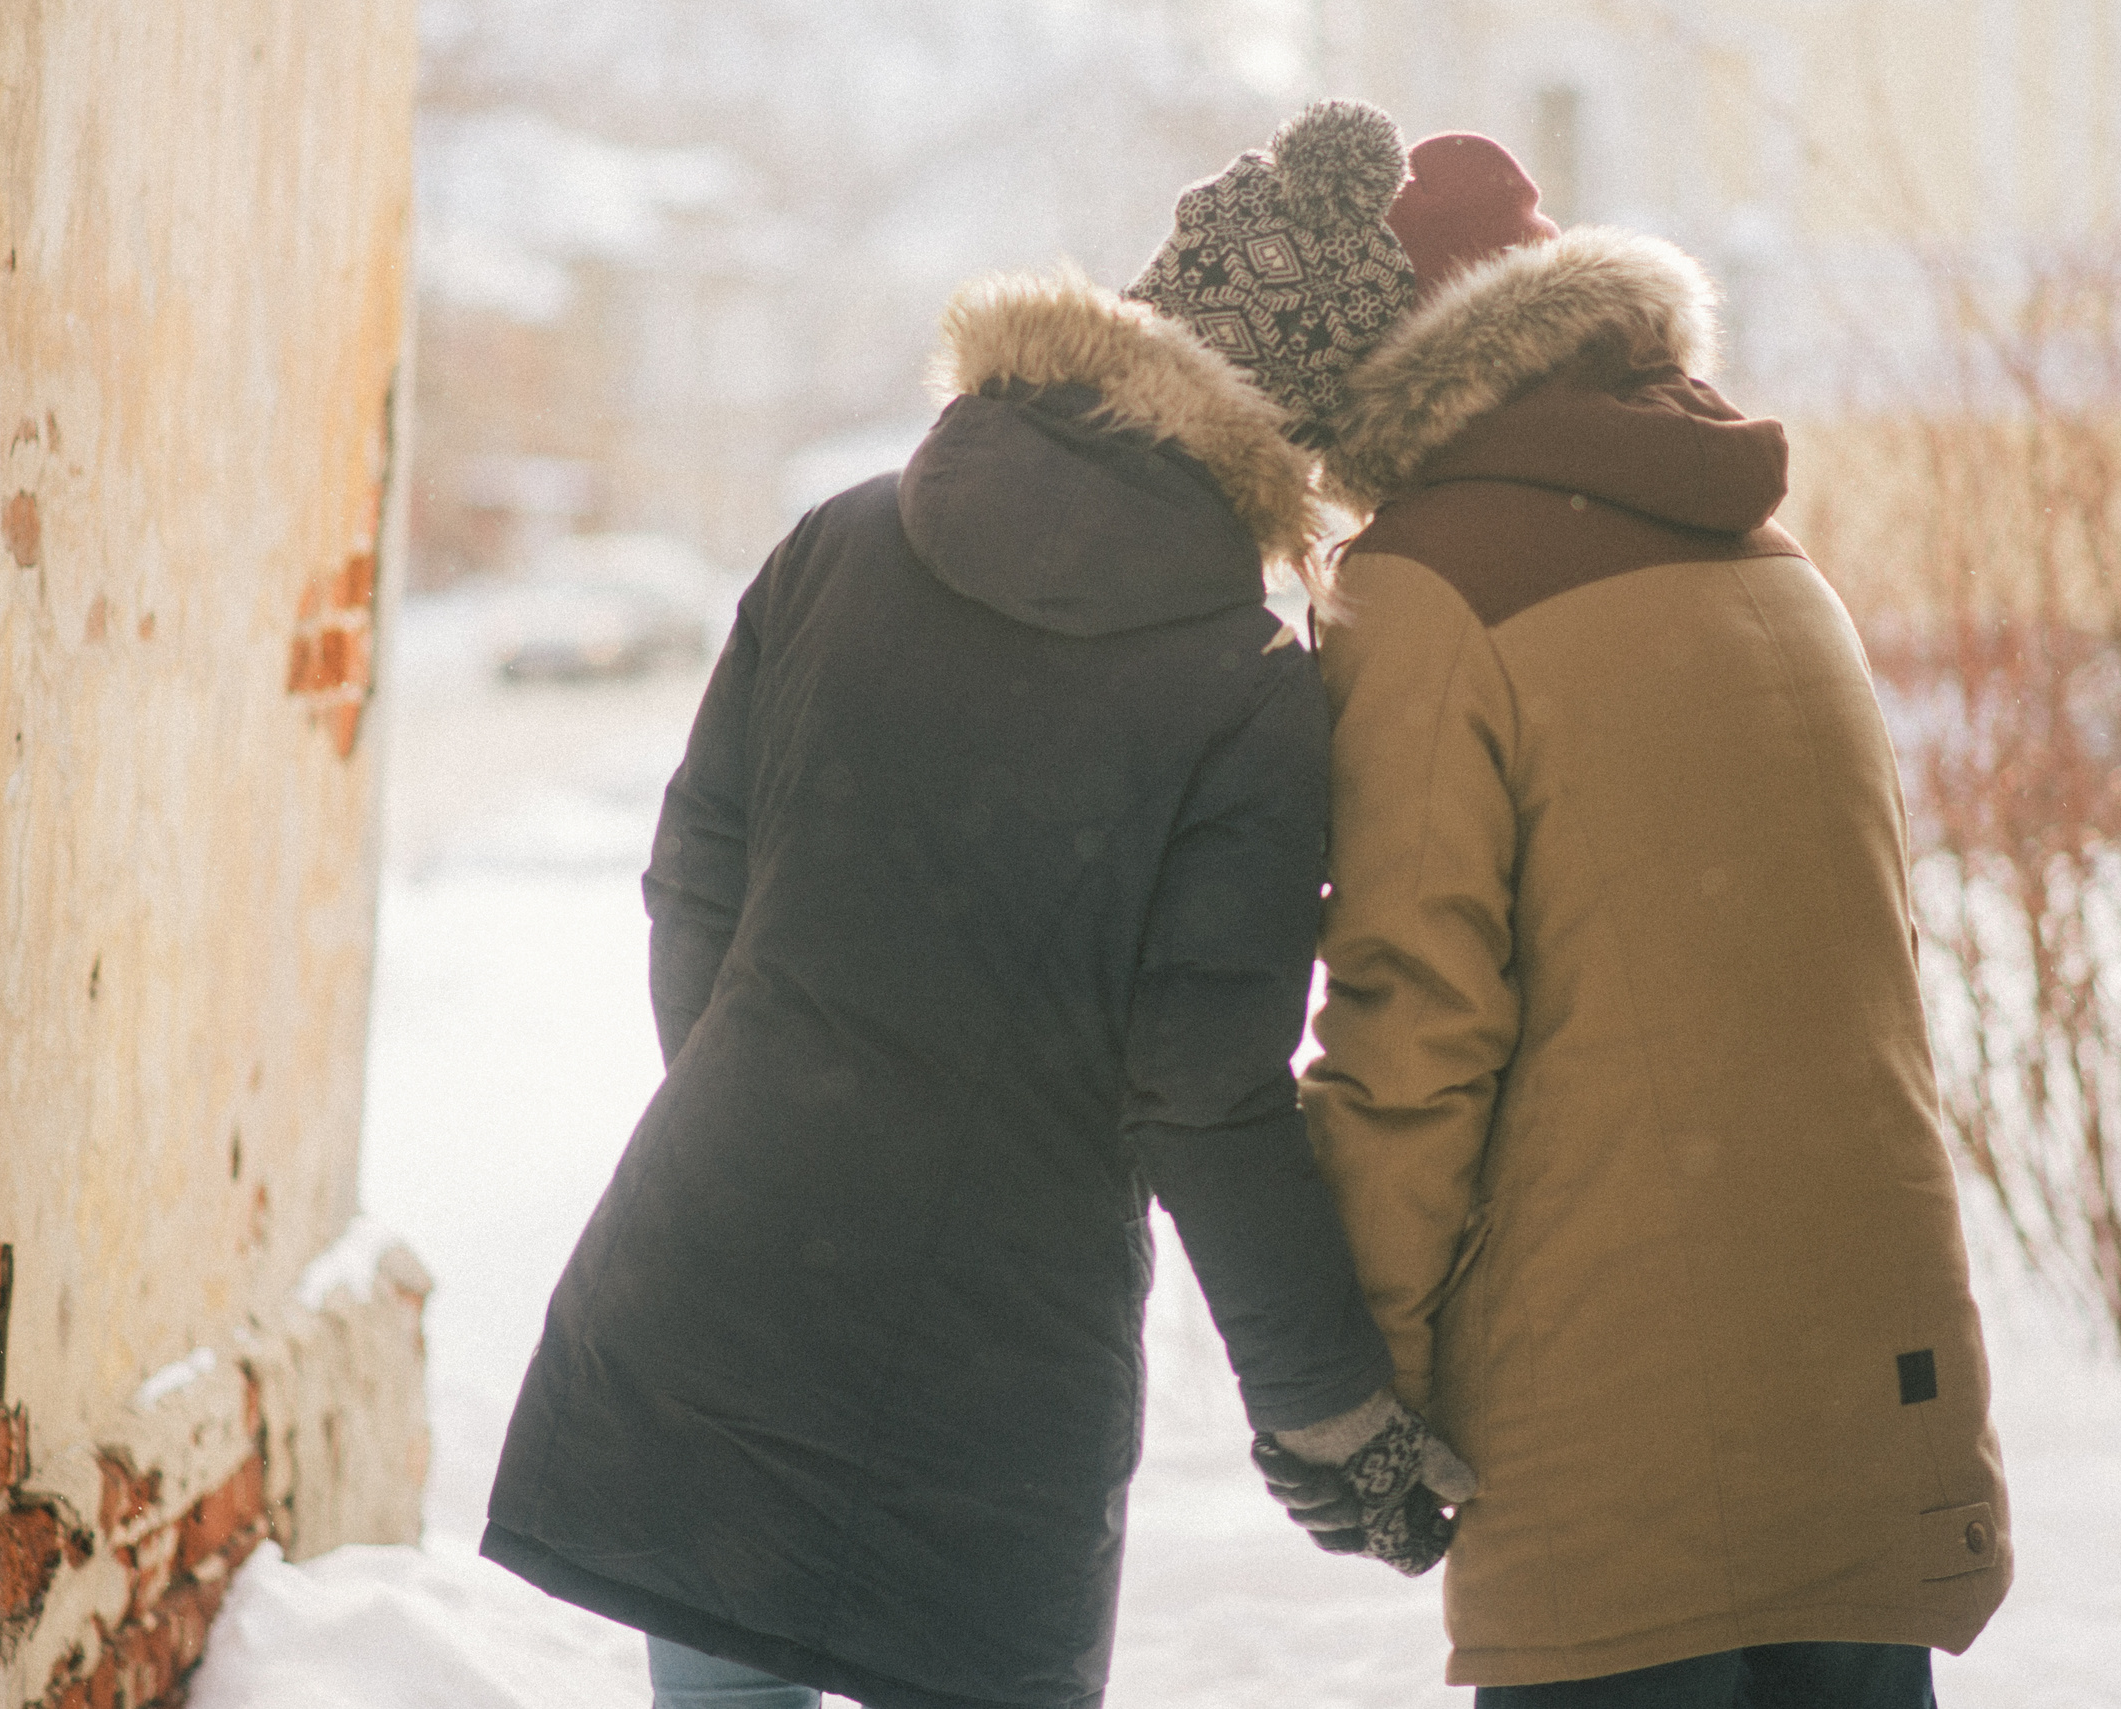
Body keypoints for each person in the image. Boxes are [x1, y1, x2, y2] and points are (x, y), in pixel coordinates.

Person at [480, 101, 1471, 1709]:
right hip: (988, 1387)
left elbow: (693, 885)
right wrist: (1329, 1406)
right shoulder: (1244, 687)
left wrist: (778, 1122)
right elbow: (1202, 1091)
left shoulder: (843, 539)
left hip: (710, 1288)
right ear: (1288, 431)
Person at [1287, 133, 2015, 1706]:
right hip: (1864, 1391)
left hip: (1614, 1427)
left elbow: (1414, 1030)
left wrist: (1355, 1395)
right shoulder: (1773, 555)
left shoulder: (1430, 584)